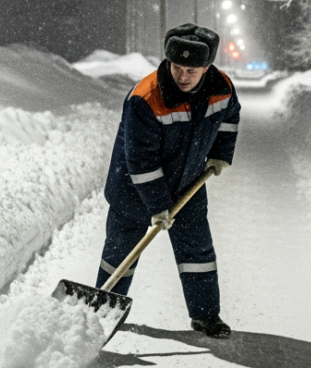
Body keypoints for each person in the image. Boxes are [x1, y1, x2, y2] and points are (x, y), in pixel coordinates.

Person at [97, 23, 241, 338]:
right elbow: (140, 160)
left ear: (207, 67)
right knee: (121, 251)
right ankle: (101, 313)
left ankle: (206, 316)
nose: (183, 76)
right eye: (177, 67)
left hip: (188, 184)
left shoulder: (222, 87)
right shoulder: (145, 98)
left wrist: (220, 154)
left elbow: (229, 118)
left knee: (198, 251)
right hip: (133, 188)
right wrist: (159, 205)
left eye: (192, 70)